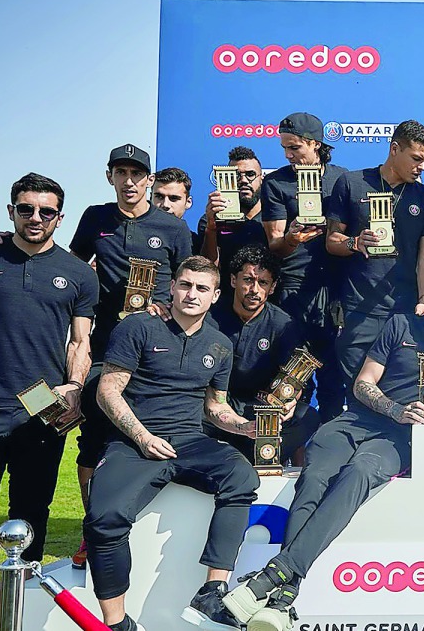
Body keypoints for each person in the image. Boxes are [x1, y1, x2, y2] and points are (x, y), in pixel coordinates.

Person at [222, 264, 424, 631]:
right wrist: (395, 409)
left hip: (400, 439)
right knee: (314, 476)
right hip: (358, 420)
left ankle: (277, 577)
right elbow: (363, 383)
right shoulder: (401, 325)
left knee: (360, 471)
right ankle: (284, 596)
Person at [0, 174, 98, 631]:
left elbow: (80, 342)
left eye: (46, 211)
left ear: (60, 218)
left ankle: (19, 613)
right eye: (26, 209)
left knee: (30, 516)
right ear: (11, 211)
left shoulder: (80, 274)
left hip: (40, 410)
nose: (36, 218)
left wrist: (74, 386)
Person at [84, 257, 261, 631]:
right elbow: (108, 391)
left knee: (242, 476)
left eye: (201, 288)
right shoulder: (138, 327)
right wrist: (142, 437)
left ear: (215, 296)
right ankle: (116, 622)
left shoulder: (220, 345)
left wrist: (244, 426)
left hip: (189, 440)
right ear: (172, 287)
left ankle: (213, 590)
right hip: (134, 441)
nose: (191, 294)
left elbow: (215, 407)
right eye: (185, 285)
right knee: (103, 518)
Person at [68, 144, 194, 568]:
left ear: (149, 180)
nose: (129, 181)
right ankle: (92, 529)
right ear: (110, 177)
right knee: (93, 440)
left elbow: (190, 281)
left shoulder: (173, 228)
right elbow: (68, 267)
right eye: (120, 173)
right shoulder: (95, 218)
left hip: (156, 350)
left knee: (151, 435)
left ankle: (146, 530)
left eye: (136, 174)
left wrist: (168, 306)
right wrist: (6, 246)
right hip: (106, 345)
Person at [325, 120, 424, 414]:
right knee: (359, 396)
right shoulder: (351, 183)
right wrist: (354, 243)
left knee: (401, 396)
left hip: (405, 314)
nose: (421, 167)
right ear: (394, 149)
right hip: (359, 311)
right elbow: (332, 241)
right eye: (416, 159)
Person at [261, 113, 349, 420]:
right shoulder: (275, 182)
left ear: (315, 144)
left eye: (294, 147)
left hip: (338, 289)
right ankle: (287, 441)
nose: (288, 155)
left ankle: (330, 442)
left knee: (334, 379)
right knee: (292, 377)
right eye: (284, 148)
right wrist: (292, 238)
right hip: (294, 289)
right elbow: (275, 245)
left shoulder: (342, 179)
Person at [208, 246, 316, 466]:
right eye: (248, 280)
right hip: (216, 406)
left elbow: (295, 381)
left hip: (259, 408)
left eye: (263, 282)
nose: (254, 290)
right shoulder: (209, 317)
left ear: (273, 287)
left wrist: (289, 402)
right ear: (233, 280)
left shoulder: (282, 324)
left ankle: (255, 458)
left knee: (307, 416)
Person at [197, 146, 269, 299]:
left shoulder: (275, 218)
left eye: (250, 174)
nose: (243, 180)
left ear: (261, 177)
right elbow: (208, 268)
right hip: (225, 300)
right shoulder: (211, 220)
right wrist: (211, 227)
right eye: (235, 175)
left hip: (269, 301)